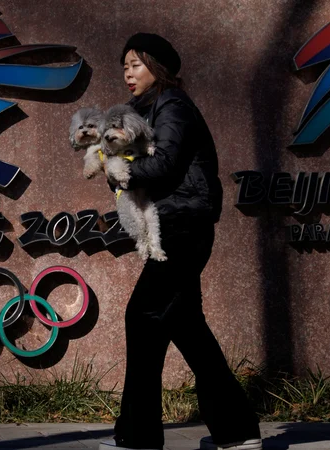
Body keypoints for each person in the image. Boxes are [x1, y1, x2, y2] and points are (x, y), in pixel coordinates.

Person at [99, 33, 262, 450]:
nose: (128, 73)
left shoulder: (173, 105)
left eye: (135, 63)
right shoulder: (143, 111)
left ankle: (140, 439)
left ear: (158, 66)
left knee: (142, 316)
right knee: (184, 325)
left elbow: (166, 163)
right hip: (174, 225)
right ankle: (236, 433)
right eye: (124, 66)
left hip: (182, 226)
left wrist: (121, 170)